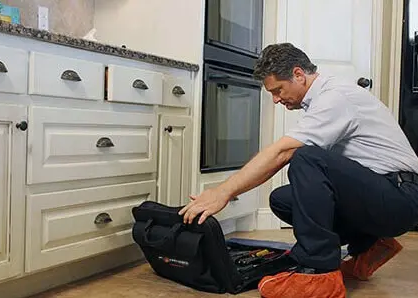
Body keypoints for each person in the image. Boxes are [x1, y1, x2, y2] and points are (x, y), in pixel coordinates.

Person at [179, 43, 418, 297]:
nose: (276, 99)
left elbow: (283, 152)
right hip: (383, 194)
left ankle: (319, 273)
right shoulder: (323, 99)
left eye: (278, 90)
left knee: (306, 157)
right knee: (283, 199)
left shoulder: (334, 97)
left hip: (401, 197)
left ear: (298, 75)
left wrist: (223, 192)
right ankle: (369, 244)